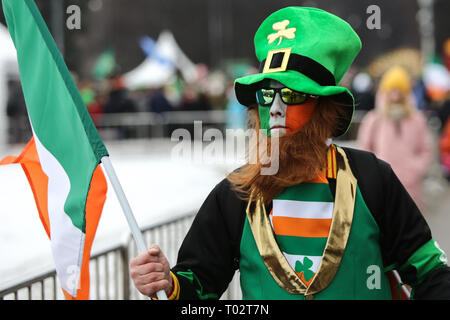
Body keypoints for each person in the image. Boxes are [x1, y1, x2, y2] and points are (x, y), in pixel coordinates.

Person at [130, 7, 450, 300]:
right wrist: (167, 284)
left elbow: (430, 273)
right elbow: (197, 285)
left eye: (292, 95)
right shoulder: (237, 194)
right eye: (267, 94)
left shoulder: (371, 179)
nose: (276, 109)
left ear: (324, 108)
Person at [357, 66, 432, 209]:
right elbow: (365, 148)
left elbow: (426, 149)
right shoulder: (374, 119)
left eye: (400, 89)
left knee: (410, 225)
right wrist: (375, 172)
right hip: (382, 183)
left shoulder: (416, 119)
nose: (396, 94)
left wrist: (415, 169)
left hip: (410, 186)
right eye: (392, 89)